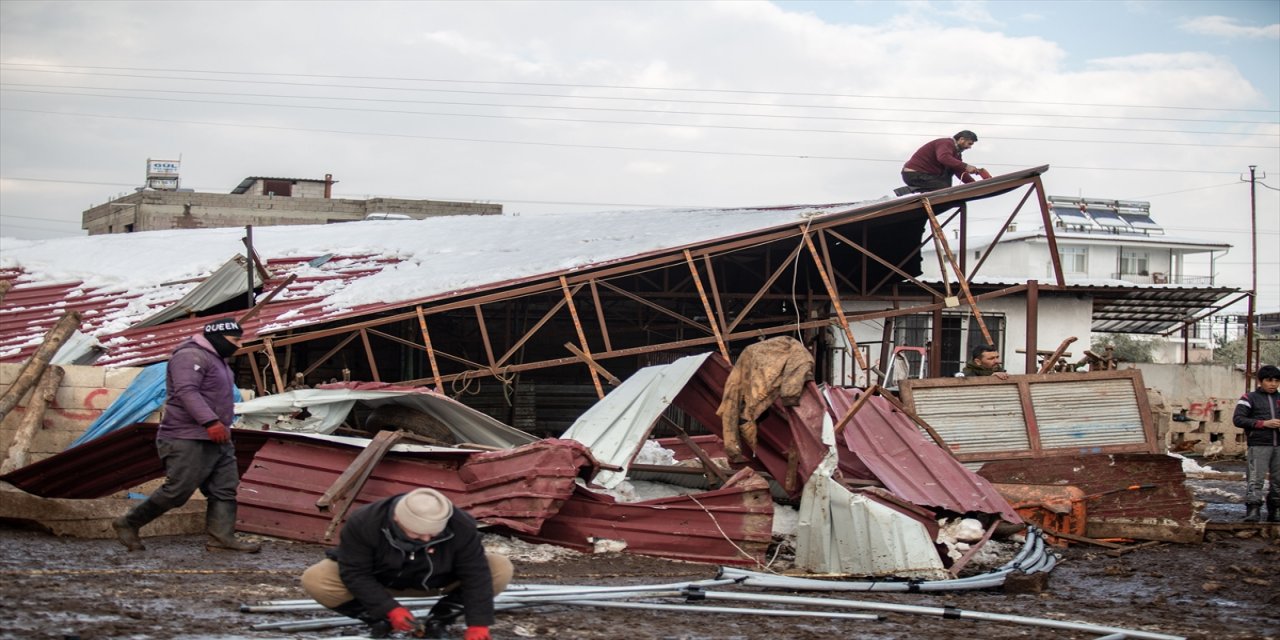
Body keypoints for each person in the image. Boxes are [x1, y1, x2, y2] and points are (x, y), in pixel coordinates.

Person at [112, 318, 260, 553]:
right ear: (219, 338)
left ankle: (221, 539)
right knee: (178, 490)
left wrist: (220, 426)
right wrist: (210, 421)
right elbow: (186, 391)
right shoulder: (190, 356)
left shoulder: (217, 359)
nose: (239, 345)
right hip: (186, 436)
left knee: (224, 488)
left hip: (219, 437)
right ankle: (129, 523)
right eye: (235, 340)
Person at [301, 488, 513, 639]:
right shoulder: (365, 521)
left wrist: (478, 624)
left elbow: (475, 574)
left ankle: (438, 621)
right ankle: (380, 622)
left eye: (433, 534)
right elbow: (355, 572)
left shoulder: (461, 525)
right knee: (317, 578)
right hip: (380, 580)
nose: (427, 540)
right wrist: (388, 609)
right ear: (397, 520)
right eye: (418, 535)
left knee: (499, 567)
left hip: (438, 581)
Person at [1231, 364, 1280, 523]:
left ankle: (1276, 510)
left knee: (1279, 480)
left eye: (1277, 381)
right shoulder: (1249, 398)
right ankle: (1253, 511)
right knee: (1255, 478)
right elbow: (1238, 419)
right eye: (1269, 380)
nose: (1273, 384)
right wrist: (1263, 424)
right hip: (1259, 444)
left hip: (1279, 446)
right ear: (1260, 381)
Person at [901, 130, 982, 193]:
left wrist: (974, 185)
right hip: (914, 174)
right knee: (944, 189)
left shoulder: (956, 154)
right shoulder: (946, 143)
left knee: (950, 174)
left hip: (927, 175)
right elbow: (943, 158)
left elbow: (959, 171)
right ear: (961, 139)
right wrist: (966, 166)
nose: (969, 147)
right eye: (969, 144)